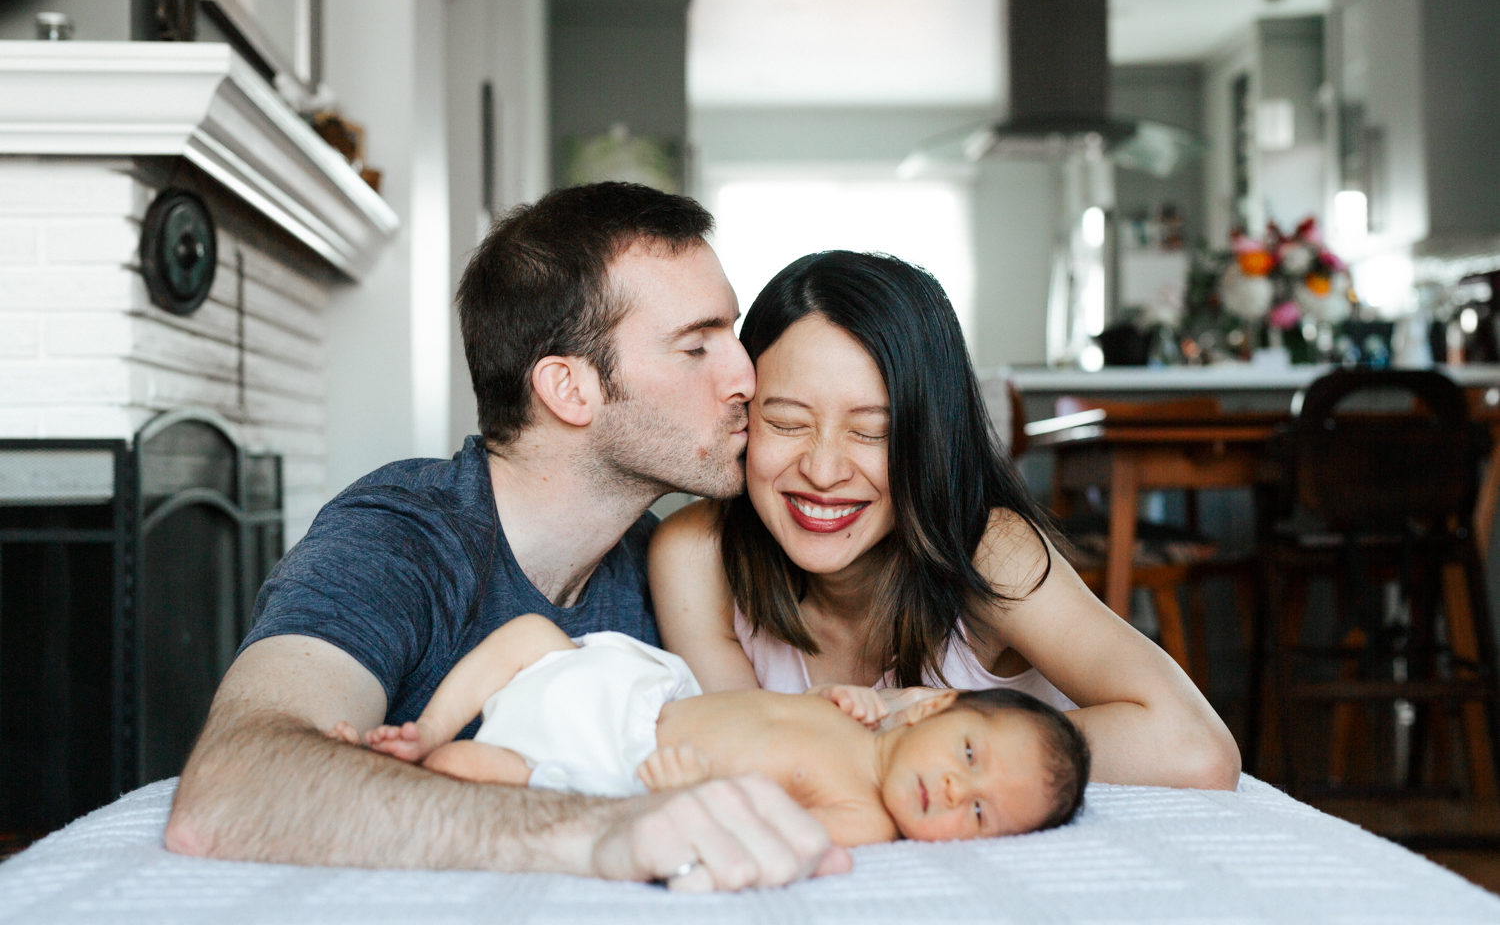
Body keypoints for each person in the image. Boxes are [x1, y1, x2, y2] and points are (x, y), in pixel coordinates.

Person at [164, 183, 847, 892]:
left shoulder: (669, 565)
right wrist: (601, 831)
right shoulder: (399, 536)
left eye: (734, 334)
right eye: (697, 346)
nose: (747, 377)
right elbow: (228, 790)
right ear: (569, 389)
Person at [649, 250, 1241, 790]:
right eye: (786, 423)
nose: (823, 471)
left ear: (929, 442)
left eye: (872, 432)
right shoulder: (697, 555)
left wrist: (924, 723)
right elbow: (747, 768)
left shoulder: (991, 550)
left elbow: (1196, 748)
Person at [346, 613, 1089, 846]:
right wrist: (853, 701)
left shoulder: (864, 816)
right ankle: (424, 725)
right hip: (637, 692)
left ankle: (409, 767)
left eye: (980, 813)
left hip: (624, 763)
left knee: (468, 772)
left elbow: (775, 836)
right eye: (969, 754)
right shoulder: (870, 712)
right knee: (533, 635)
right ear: (932, 708)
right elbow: (789, 713)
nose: (955, 789)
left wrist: (697, 797)